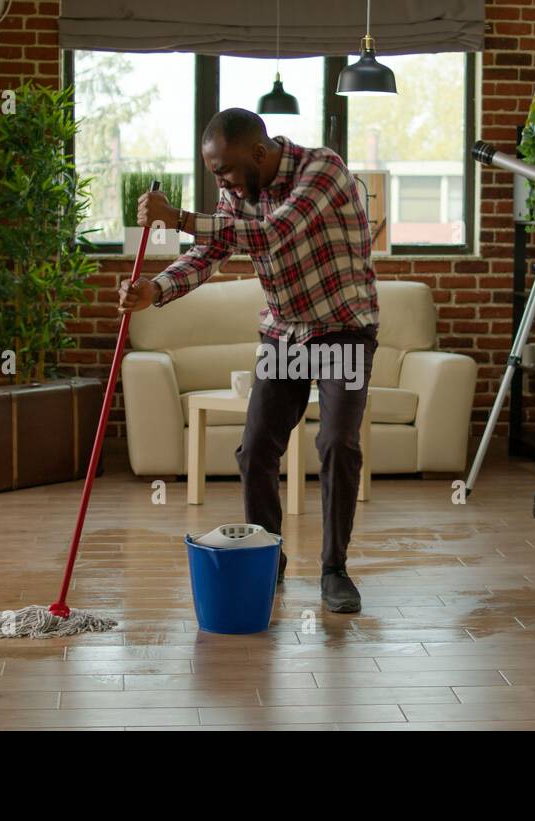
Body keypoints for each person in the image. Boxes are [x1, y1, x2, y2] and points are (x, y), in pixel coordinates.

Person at [118, 108, 379, 613]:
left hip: (343, 330)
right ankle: (268, 558)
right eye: (216, 174)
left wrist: (176, 218)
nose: (223, 184)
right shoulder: (238, 191)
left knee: (337, 441)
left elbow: (271, 235)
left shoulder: (321, 171)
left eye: (226, 172)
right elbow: (212, 249)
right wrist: (156, 288)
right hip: (284, 332)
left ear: (259, 154)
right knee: (256, 447)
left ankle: (333, 569)